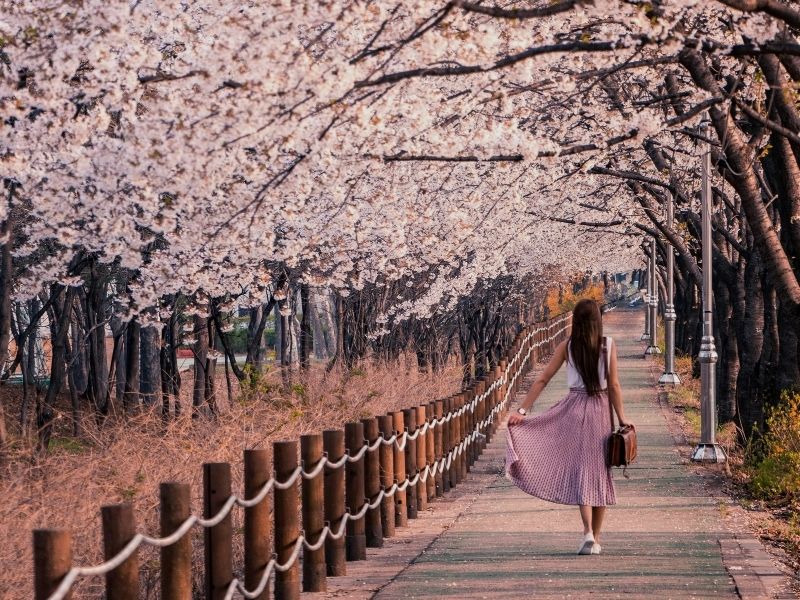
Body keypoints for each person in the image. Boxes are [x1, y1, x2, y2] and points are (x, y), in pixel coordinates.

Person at [506, 299, 631, 555]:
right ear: (597, 320)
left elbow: (543, 379)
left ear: (575, 320)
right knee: (600, 471)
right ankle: (596, 538)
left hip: (573, 408)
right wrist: (622, 418)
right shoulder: (607, 345)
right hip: (600, 411)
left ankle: (587, 532)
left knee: (581, 469)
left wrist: (522, 411)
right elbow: (614, 385)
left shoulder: (568, 346)